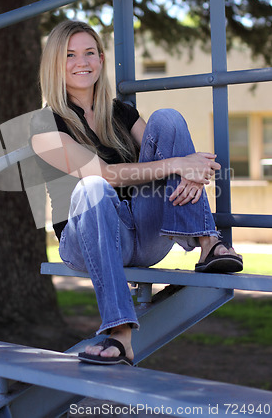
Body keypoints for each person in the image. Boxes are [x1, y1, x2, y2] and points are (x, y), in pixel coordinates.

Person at [30, 20, 243, 366]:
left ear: (101, 59)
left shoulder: (120, 112)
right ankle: (120, 333)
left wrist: (183, 167)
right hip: (85, 238)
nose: (81, 61)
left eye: (89, 52)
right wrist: (180, 164)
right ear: (54, 64)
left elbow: (163, 151)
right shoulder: (43, 125)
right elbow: (105, 174)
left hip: (143, 234)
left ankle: (207, 244)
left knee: (169, 119)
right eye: (69, 55)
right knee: (92, 186)